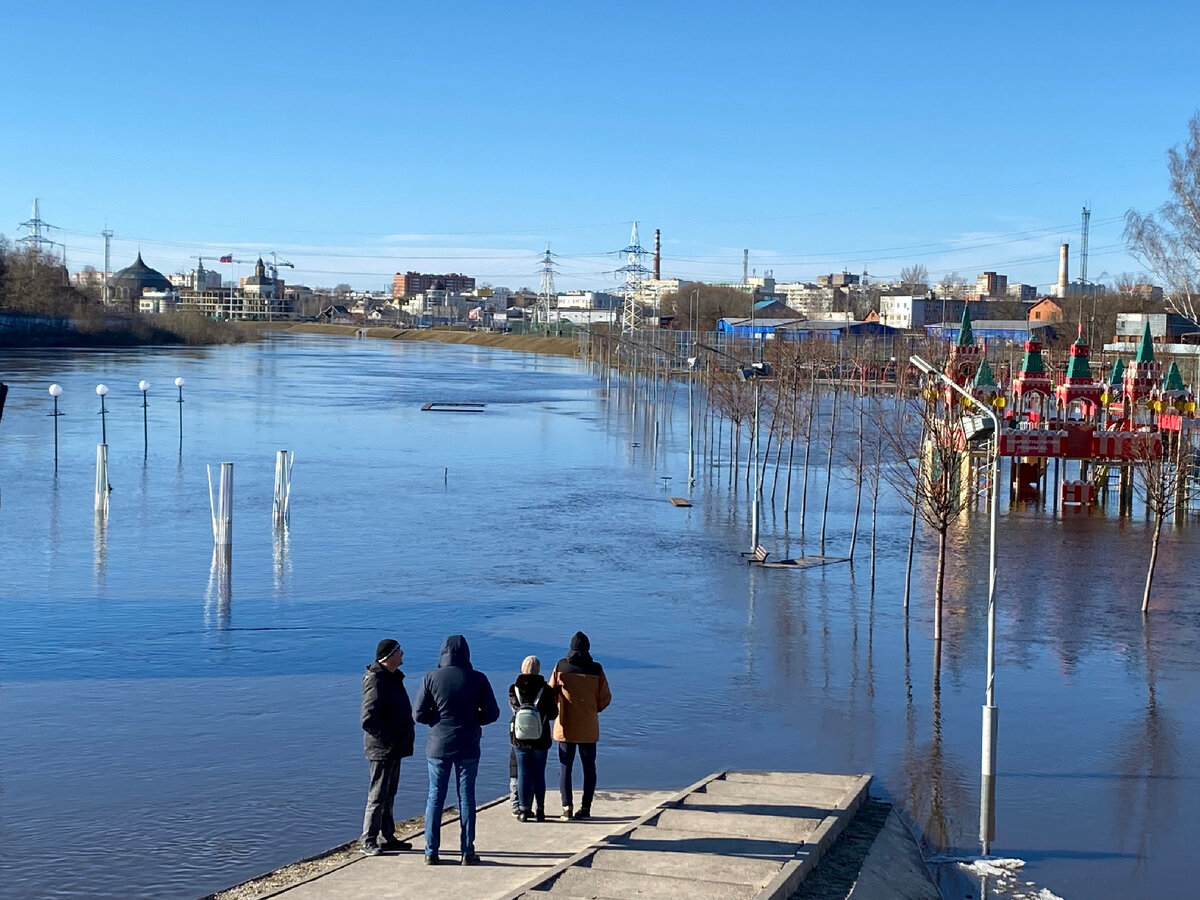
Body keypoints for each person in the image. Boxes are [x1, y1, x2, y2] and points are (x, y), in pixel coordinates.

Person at [413, 635, 499, 866]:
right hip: (468, 744)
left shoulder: (431, 677)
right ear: (467, 654)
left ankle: (431, 851)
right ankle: (467, 851)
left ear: (443, 652)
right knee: (467, 798)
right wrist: (474, 719)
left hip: (438, 745)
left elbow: (418, 714)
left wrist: (437, 719)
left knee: (435, 797)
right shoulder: (478, 678)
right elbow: (492, 713)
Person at [360, 638, 415, 856]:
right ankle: (369, 840)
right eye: (399, 651)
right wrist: (388, 738)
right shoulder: (376, 679)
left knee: (389, 794)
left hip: (394, 747)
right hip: (382, 748)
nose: (402, 654)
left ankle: (387, 836)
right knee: (377, 795)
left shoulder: (392, 678)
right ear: (389, 656)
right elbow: (368, 719)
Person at [549, 631, 611, 821]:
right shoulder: (596, 669)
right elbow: (605, 698)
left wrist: (559, 707)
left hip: (565, 725)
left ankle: (566, 807)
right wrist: (593, 709)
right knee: (589, 768)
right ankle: (586, 808)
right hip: (588, 726)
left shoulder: (561, 666)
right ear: (588, 648)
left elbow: (550, 692)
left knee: (565, 768)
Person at [507, 655, 558, 822]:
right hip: (540, 737)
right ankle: (541, 810)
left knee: (522, 772)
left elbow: (514, 710)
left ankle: (523, 810)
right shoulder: (546, 690)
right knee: (538, 773)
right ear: (538, 670)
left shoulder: (513, 689)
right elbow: (553, 714)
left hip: (520, 738)